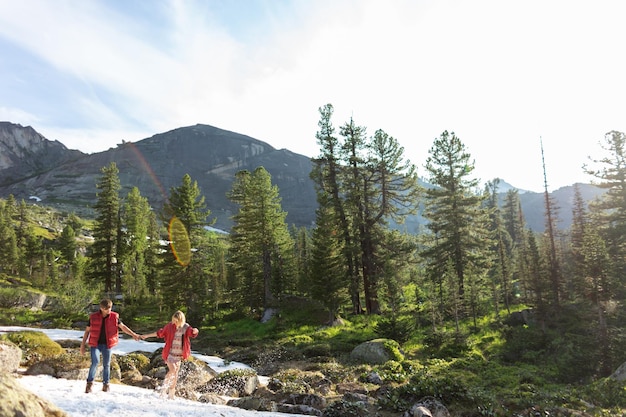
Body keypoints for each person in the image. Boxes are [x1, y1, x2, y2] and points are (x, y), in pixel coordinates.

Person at [80, 298, 140, 393]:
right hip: (95, 344)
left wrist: (133, 334)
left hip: (107, 344)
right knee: (95, 362)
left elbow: (123, 327)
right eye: (107, 309)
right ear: (101, 308)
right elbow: (87, 331)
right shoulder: (93, 317)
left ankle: (106, 384)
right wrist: (82, 345)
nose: (109, 310)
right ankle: (89, 384)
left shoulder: (114, 317)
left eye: (110, 308)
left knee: (106, 365)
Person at [141, 310, 199, 399]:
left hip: (179, 355)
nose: (174, 323)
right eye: (173, 320)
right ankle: (163, 389)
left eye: (176, 321)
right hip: (169, 354)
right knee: (173, 370)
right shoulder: (169, 327)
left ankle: (171, 393)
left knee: (175, 374)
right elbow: (160, 333)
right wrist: (147, 336)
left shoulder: (185, 327)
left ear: (181, 320)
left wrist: (195, 331)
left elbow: (192, 333)